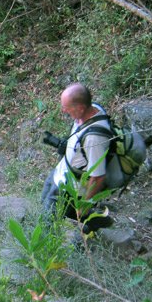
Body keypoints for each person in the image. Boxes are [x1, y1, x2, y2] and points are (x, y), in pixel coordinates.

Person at [41, 83, 114, 233]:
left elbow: (98, 176)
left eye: (66, 108)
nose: (63, 110)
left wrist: (85, 204)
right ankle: (94, 220)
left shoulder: (94, 138)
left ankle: (96, 221)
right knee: (44, 204)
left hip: (70, 190)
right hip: (60, 173)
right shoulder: (90, 110)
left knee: (48, 223)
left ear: (80, 108)